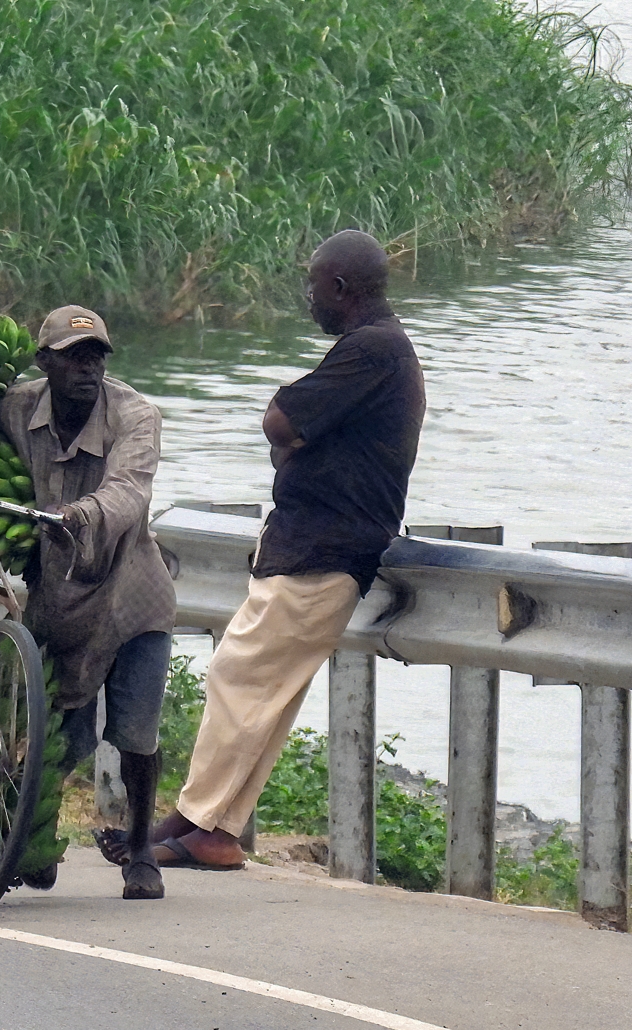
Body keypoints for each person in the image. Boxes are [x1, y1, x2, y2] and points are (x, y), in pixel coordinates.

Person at [139, 229, 424, 871]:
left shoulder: (371, 350)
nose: (309, 297)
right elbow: (291, 434)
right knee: (265, 689)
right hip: (319, 544)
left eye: (314, 285)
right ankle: (216, 832)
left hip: (323, 548)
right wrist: (295, 442)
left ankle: (190, 818)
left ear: (341, 288)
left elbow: (280, 421)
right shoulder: (379, 349)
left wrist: (294, 440)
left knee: (238, 672)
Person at [0, 305, 177, 900]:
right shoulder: (18, 408)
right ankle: (36, 841)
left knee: (135, 732)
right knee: (58, 737)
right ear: (45, 362)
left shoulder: (135, 416)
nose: (87, 369)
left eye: (96, 356)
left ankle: (142, 848)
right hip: (60, 595)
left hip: (130, 594)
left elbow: (129, 491)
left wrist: (80, 515)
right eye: (74, 357)